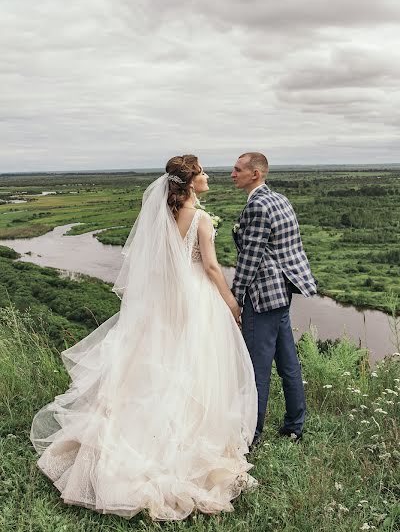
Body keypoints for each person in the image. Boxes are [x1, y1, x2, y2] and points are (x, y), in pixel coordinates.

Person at [30, 155, 257, 521]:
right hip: (197, 298)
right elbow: (212, 267)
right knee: (197, 365)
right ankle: (187, 444)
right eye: (202, 173)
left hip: (166, 301)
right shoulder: (198, 217)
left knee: (162, 364)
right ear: (189, 182)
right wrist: (231, 302)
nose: (209, 177)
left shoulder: (163, 215)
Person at [231, 152, 316, 446]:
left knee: (258, 368)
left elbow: (250, 259)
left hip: (262, 295)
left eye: (238, 169)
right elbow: (290, 248)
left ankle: (251, 434)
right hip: (282, 291)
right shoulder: (280, 199)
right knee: (288, 361)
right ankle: (295, 425)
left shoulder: (256, 206)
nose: (232, 174)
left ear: (255, 174)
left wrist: (235, 297)